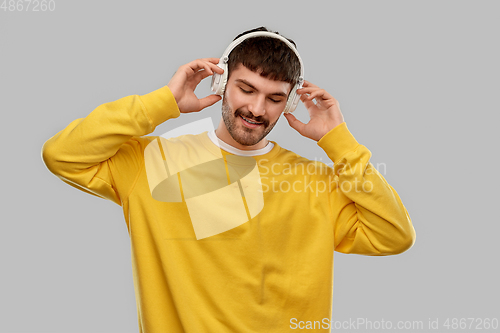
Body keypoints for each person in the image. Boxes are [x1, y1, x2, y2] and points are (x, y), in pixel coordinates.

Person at [42, 26, 416, 332]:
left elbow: (394, 235)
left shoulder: (314, 182)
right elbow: (63, 155)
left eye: (274, 98)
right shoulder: (151, 162)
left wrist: (338, 142)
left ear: (288, 104)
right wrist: (163, 102)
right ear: (222, 85)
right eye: (246, 89)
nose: (256, 109)